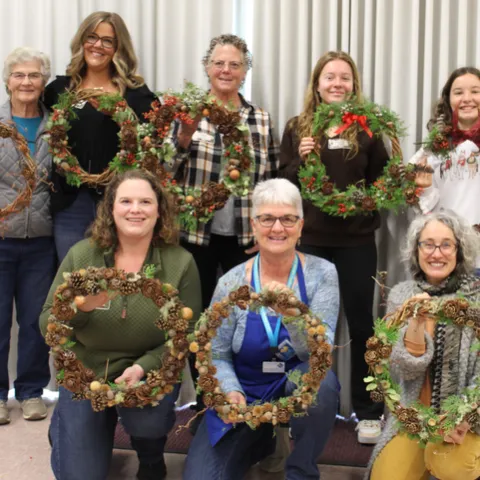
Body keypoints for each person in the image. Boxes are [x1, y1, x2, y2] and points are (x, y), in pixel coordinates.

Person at [39, 170, 202, 480]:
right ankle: (70, 420)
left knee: (148, 422)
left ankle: (151, 454)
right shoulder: (82, 255)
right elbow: (47, 321)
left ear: (159, 210)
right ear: (111, 208)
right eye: (125, 201)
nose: (135, 209)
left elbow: (187, 335)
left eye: (145, 201)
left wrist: (144, 366)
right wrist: (79, 309)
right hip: (86, 371)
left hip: (149, 369)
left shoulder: (181, 262)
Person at [183, 178, 341, 480]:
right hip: (246, 388)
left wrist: (294, 316)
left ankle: (301, 469)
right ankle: (264, 441)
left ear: (301, 225)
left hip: (296, 377)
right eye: (267, 218)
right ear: (254, 226)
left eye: (287, 219)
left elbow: (322, 351)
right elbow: (215, 353)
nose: (277, 228)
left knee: (322, 385)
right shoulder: (231, 282)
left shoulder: (322, 273)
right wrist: (230, 390)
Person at [279, 50, 390, 442]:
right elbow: (285, 185)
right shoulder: (298, 127)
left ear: (353, 85)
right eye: (330, 77)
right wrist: (301, 158)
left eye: (345, 77)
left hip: (358, 242)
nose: (337, 84)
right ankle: (302, 404)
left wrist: (361, 206)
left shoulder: (369, 130)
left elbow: (383, 184)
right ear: (317, 84)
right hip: (311, 241)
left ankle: (369, 412)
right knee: (307, 327)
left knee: (363, 327)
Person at [169, 33, 279, 310]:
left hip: (244, 236)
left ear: (244, 71)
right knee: (192, 313)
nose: (226, 71)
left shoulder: (260, 119)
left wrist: (267, 231)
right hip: (194, 235)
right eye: (219, 63)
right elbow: (164, 170)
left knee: (242, 313)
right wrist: (184, 137)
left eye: (234, 65)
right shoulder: (187, 113)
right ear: (207, 67)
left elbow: (273, 181)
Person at [368, 210, 480, 480]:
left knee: (453, 468)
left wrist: (466, 417)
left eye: (446, 245)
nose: (436, 253)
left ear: (460, 250)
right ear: (416, 250)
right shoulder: (402, 296)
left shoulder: (477, 297)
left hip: (466, 418)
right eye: (427, 244)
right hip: (415, 417)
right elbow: (403, 372)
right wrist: (416, 325)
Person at [43, 11, 156, 262]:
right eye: (92, 37)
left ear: (118, 48)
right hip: (70, 205)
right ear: (81, 41)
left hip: (122, 204)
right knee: (74, 282)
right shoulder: (59, 90)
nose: (98, 45)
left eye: (108, 41)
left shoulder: (136, 95)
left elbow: (154, 147)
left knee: (118, 279)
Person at [0, 47, 56, 425]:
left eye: (33, 75)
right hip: (1, 239)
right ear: (7, 81)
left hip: (42, 241)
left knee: (37, 322)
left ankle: (33, 391)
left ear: (44, 81)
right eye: (19, 75)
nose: (26, 82)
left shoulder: (58, 126)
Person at [411, 66, 480, 274]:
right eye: (458, 92)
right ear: (448, 100)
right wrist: (423, 188)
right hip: (447, 256)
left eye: (475, 91)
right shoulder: (433, 148)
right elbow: (420, 208)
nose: (467, 98)